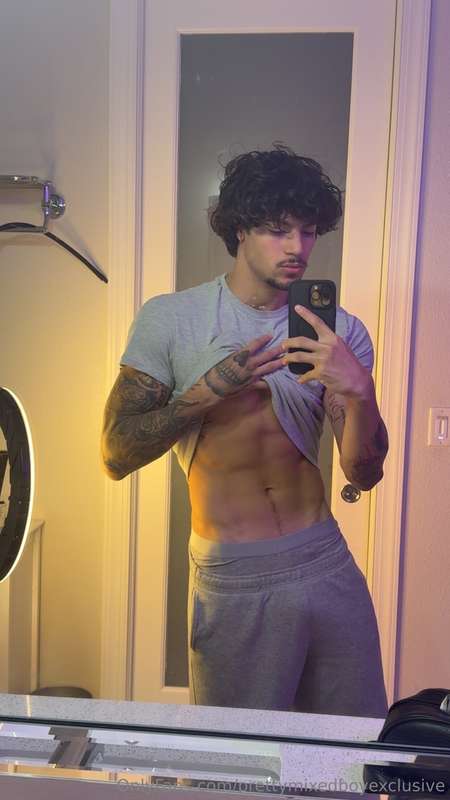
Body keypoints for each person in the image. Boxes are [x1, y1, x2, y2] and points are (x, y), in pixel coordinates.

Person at [102, 144, 389, 716]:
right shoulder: (173, 318)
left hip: (325, 561)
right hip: (234, 574)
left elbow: (364, 473)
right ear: (239, 229)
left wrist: (359, 390)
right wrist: (210, 390)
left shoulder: (338, 332)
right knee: (240, 755)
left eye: (308, 231)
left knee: (353, 748)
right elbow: (116, 454)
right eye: (278, 230)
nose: (297, 248)